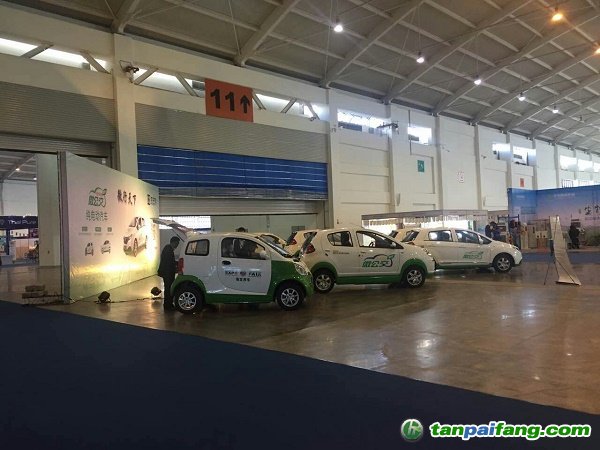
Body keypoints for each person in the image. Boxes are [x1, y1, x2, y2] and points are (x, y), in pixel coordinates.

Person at [158, 236, 180, 311]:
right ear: (173, 242)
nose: (177, 245)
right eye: (177, 243)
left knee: (168, 288)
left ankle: (168, 304)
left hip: (168, 273)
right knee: (168, 289)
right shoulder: (168, 249)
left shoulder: (168, 249)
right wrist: (176, 266)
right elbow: (169, 262)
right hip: (167, 273)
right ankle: (168, 305)